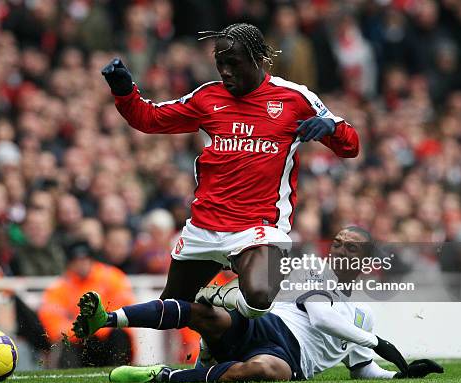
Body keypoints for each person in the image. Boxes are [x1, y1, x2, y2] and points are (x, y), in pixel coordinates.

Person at [102, 23, 359, 319]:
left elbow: (350, 146)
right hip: (206, 225)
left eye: (232, 63)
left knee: (259, 298)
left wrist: (333, 126)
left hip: (257, 227)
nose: (224, 71)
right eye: (219, 64)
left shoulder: (294, 98)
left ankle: (220, 297)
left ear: (258, 60)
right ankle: (208, 350)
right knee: (175, 307)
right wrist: (124, 92)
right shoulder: (207, 98)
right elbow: (150, 119)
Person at [72, 226, 443, 383]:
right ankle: (108, 318)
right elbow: (321, 316)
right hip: (268, 326)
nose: (340, 248)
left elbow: (362, 371)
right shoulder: (311, 268)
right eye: (339, 242)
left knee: (263, 370)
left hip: (289, 360)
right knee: (202, 312)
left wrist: (401, 375)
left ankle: (162, 376)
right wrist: (379, 342)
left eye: (352, 247)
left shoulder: (364, 314)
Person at [38, 239, 135, 367]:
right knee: (66, 344)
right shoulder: (60, 287)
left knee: (119, 334)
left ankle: (120, 370)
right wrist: (87, 328)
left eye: (84, 259)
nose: (81, 264)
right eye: (76, 261)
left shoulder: (112, 277)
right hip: (80, 343)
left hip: (107, 339)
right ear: (70, 263)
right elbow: (53, 326)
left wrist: (93, 327)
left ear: (91, 259)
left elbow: (125, 313)